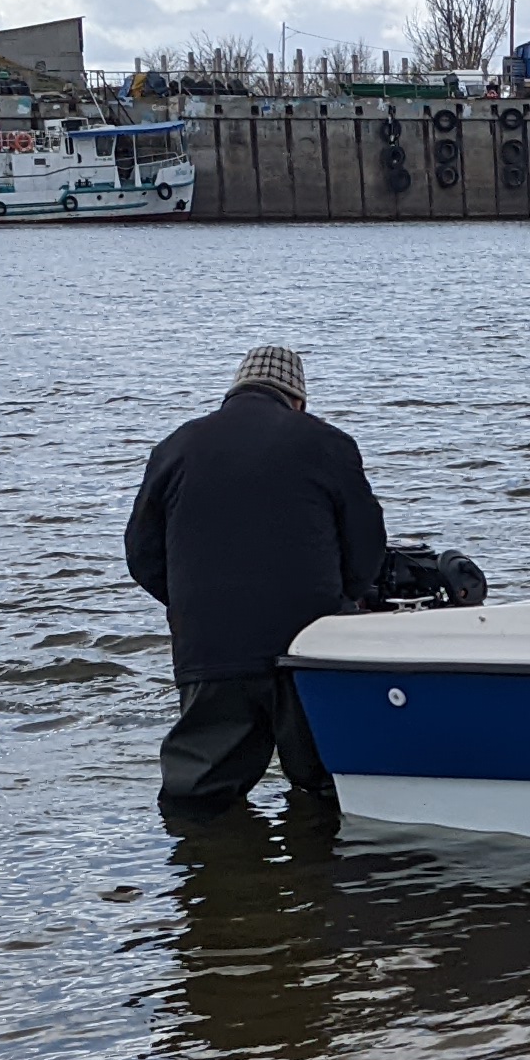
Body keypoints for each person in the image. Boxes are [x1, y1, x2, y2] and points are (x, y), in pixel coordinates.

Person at [124, 345, 386, 818]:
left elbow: (142, 556)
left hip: (211, 650)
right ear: (297, 400)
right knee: (331, 790)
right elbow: (366, 548)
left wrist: (193, 604)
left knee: (199, 798)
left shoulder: (176, 446)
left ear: (234, 392)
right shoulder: (328, 443)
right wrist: (343, 600)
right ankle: (322, 857)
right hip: (308, 646)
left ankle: (201, 858)